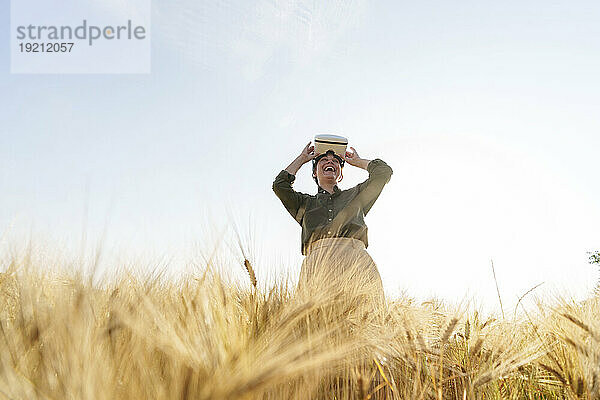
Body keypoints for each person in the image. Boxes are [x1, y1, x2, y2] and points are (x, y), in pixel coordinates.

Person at [272, 141, 393, 305]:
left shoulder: (356, 196)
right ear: (315, 172)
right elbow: (280, 186)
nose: (330, 162)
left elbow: (383, 172)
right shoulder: (304, 203)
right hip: (317, 264)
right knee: (316, 324)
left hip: (355, 261)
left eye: (335, 161)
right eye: (323, 160)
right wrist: (302, 158)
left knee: (366, 318)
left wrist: (357, 161)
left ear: (340, 173)